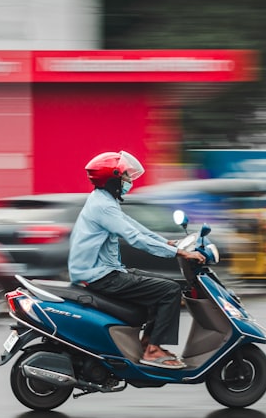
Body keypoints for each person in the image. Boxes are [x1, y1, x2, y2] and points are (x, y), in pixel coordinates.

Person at [68, 150, 205, 369]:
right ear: (112, 179)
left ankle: (148, 343)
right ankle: (153, 351)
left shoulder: (104, 200)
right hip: (101, 276)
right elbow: (134, 238)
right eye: (125, 177)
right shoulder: (103, 206)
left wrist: (166, 242)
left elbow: (135, 226)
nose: (129, 181)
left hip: (107, 271)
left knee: (164, 287)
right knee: (169, 290)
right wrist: (180, 253)